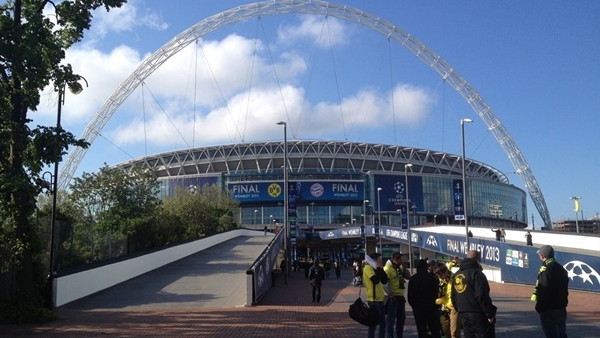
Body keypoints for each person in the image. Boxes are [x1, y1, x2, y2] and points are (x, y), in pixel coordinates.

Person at [451, 250, 496, 338]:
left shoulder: (457, 274)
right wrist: (489, 314)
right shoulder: (477, 274)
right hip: (478, 313)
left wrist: (459, 309)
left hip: (463, 312)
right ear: (478, 260)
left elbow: (453, 296)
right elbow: (482, 296)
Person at [531, 245, 569, 338]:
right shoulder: (561, 269)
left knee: (552, 335)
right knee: (562, 334)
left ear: (544, 256)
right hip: (561, 308)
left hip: (549, 310)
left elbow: (543, 289)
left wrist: (539, 307)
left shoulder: (545, 269)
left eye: (540, 255)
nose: (539, 257)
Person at [407, 259, 441, 338]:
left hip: (418, 308)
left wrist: (414, 306)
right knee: (435, 329)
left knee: (421, 330)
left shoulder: (413, 279)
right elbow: (436, 292)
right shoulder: (432, 278)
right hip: (431, 307)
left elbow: (410, 296)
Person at [384, 252, 411, 338]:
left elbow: (408, 276)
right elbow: (384, 284)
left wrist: (403, 267)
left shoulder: (399, 268)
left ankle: (399, 336)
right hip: (392, 298)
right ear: (395, 259)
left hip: (400, 297)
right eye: (400, 259)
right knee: (391, 320)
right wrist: (391, 295)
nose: (401, 261)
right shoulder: (387, 269)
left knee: (401, 319)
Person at [363, 252, 389, 338]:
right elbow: (375, 280)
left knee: (383, 324)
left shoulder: (377, 269)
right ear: (374, 260)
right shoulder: (368, 268)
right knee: (373, 324)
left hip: (381, 299)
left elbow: (384, 280)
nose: (381, 262)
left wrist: (381, 269)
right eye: (379, 260)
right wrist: (378, 269)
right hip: (373, 300)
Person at [435, 264, 461, 338]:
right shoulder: (441, 280)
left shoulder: (455, 279)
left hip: (454, 308)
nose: (439, 277)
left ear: (446, 272)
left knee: (454, 332)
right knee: (445, 331)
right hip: (445, 308)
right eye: (438, 275)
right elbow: (443, 295)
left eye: (440, 275)